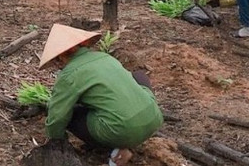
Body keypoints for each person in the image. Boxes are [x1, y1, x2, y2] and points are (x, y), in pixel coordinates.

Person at [40, 24, 163, 166]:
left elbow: (57, 116)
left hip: (120, 131)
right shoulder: (104, 57)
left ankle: (117, 145)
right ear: (84, 44)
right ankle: (131, 132)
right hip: (154, 119)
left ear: (60, 56)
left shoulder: (69, 75)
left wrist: (55, 141)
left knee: (71, 115)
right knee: (138, 76)